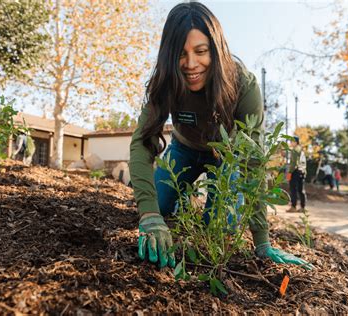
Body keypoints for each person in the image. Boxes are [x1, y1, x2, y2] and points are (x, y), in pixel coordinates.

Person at [129, 2, 312, 270]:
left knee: (217, 229)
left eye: (201, 51)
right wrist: (149, 214)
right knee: (161, 206)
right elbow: (141, 143)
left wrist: (262, 242)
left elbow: (253, 164)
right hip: (184, 148)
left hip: (227, 157)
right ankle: (179, 207)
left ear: (216, 49)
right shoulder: (167, 80)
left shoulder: (243, 85)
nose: (191, 64)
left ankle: (201, 213)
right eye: (181, 54)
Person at [286, 136, 307, 212]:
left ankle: (293, 207)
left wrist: (289, 173)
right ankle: (303, 207)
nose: (290, 143)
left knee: (293, 189)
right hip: (302, 172)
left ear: (295, 142)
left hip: (295, 172)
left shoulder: (294, 150)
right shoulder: (301, 150)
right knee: (301, 190)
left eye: (291, 141)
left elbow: (293, 163)